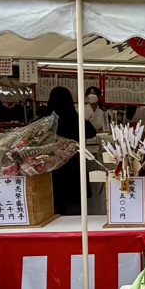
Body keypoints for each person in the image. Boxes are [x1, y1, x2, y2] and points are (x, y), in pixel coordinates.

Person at [45, 87, 96, 215]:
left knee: (53, 206)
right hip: (74, 165)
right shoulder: (75, 119)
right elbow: (91, 132)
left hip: (51, 166)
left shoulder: (44, 120)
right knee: (75, 208)